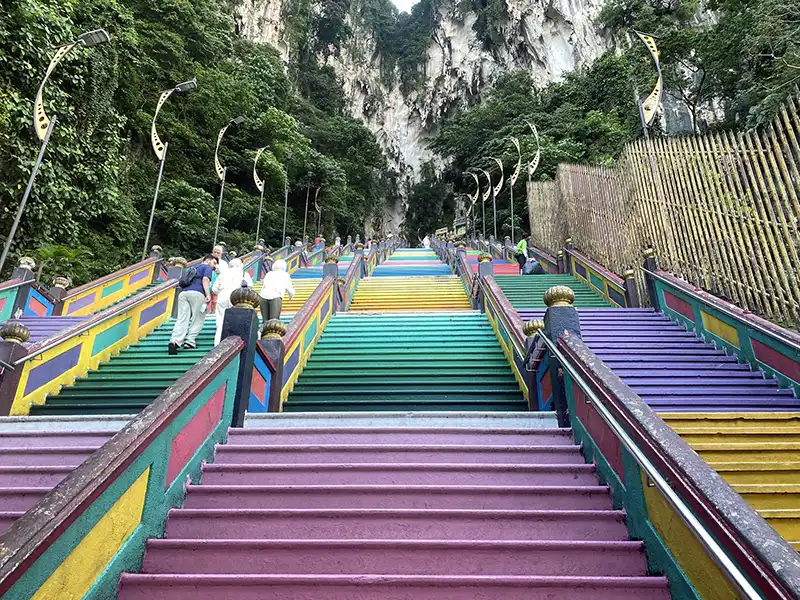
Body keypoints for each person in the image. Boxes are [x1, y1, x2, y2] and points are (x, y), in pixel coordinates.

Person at [169, 254, 216, 354]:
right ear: (208, 260)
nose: (214, 266)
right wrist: (208, 295)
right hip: (197, 293)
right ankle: (189, 341)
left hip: (183, 293)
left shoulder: (192, 267)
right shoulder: (207, 267)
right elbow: (205, 280)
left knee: (182, 318)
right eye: (214, 263)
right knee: (198, 318)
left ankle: (175, 341)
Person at [211, 258, 253, 346]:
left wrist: (221, 292)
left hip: (222, 296)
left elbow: (214, 289)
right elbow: (249, 287)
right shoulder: (244, 274)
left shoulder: (223, 274)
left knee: (220, 322)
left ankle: (217, 344)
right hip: (237, 297)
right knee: (236, 320)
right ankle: (233, 344)